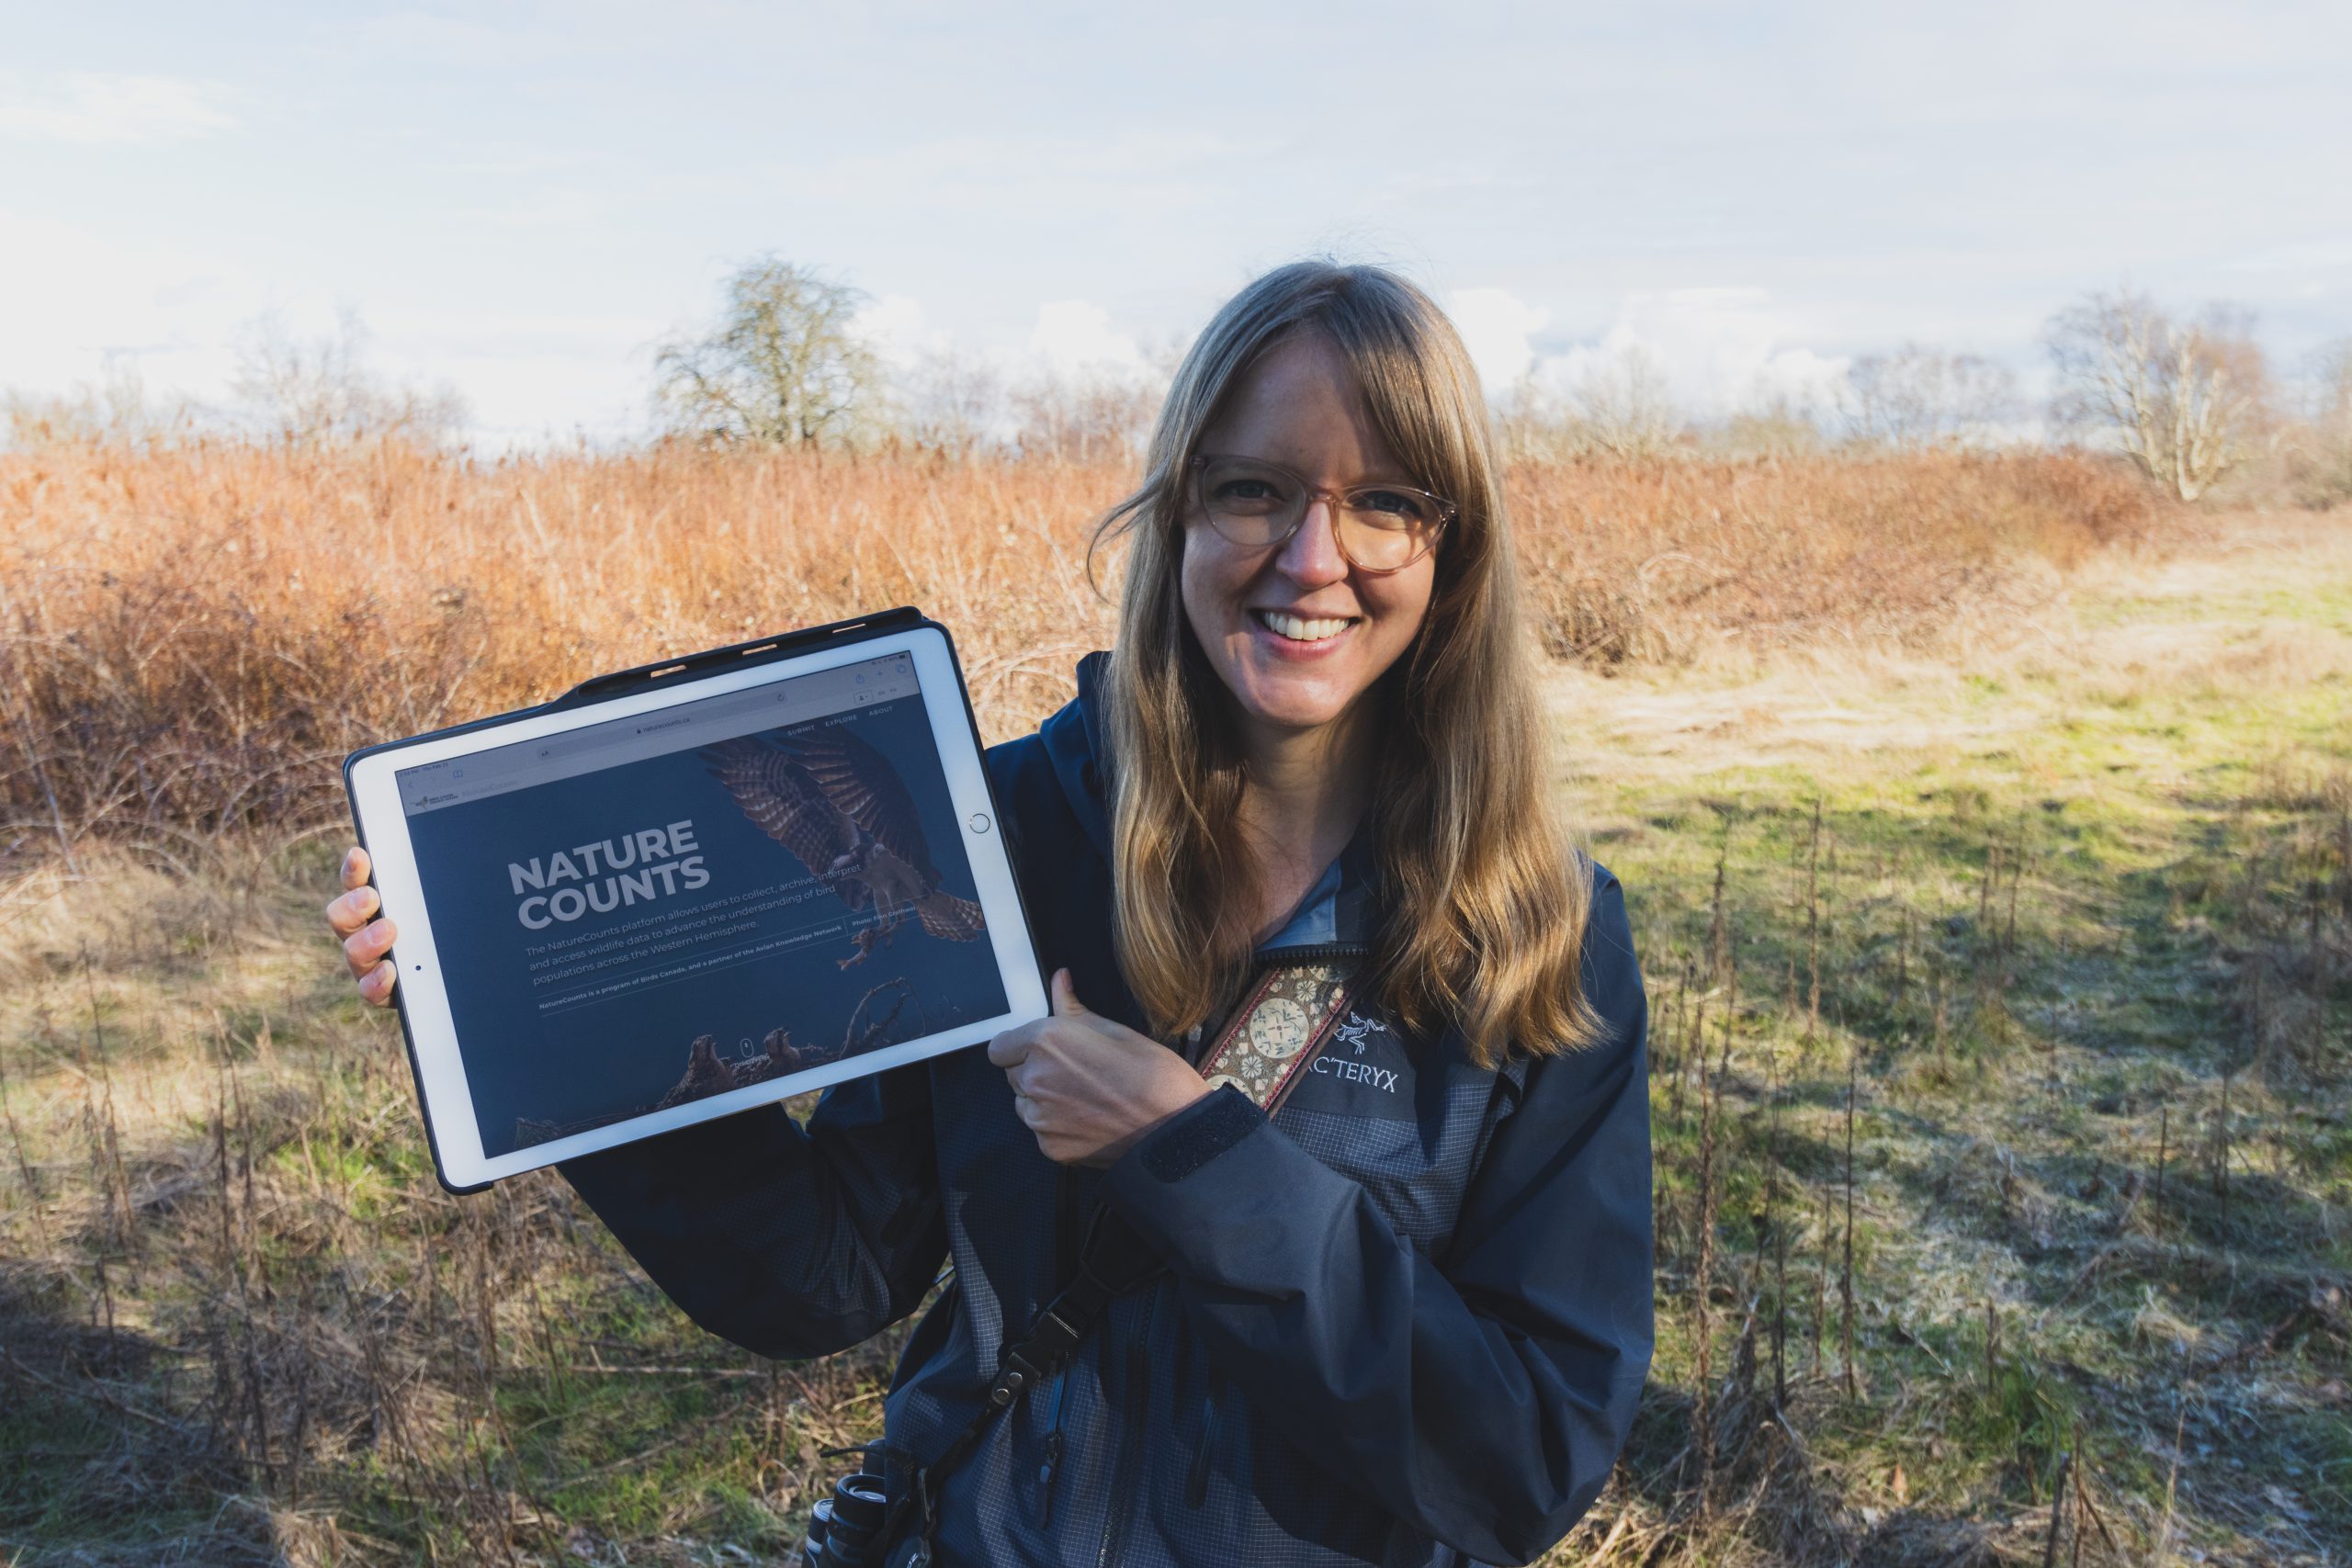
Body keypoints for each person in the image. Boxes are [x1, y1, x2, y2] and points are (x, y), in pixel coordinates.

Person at [326, 261, 1653, 1567]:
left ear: (1454, 547)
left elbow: (1524, 1463)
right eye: (1252, 490)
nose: (1312, 558)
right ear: (1179, 513)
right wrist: (554, 1021)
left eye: (1385, 503)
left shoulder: (1539, 935)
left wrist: (1195, 1154)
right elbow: (827, 1270)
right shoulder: (1004, 836)